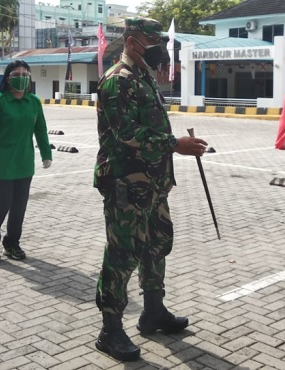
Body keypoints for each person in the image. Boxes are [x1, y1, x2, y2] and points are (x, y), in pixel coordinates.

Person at [93, 17, 208, 362]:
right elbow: (124, 134)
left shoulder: (143, 76)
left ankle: (153, 312)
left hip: (153, 183)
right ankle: (110, 329)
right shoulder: (117, 81)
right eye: (151, 40)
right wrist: (175, 144)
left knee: (156, 245)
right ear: (131, 41)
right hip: (126, 183)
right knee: (122, 254)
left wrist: (171, 152)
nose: (158, 47)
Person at [0, 60, 52, 263]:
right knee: (2, 204)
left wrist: (46, 153)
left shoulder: (33, 101)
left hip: (24, 162)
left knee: (19, 207)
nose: (21, 77)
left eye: (25, 73)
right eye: (16, 73)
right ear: (7, 77)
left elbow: (40, 129)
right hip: (0, 163)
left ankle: (12, 243)